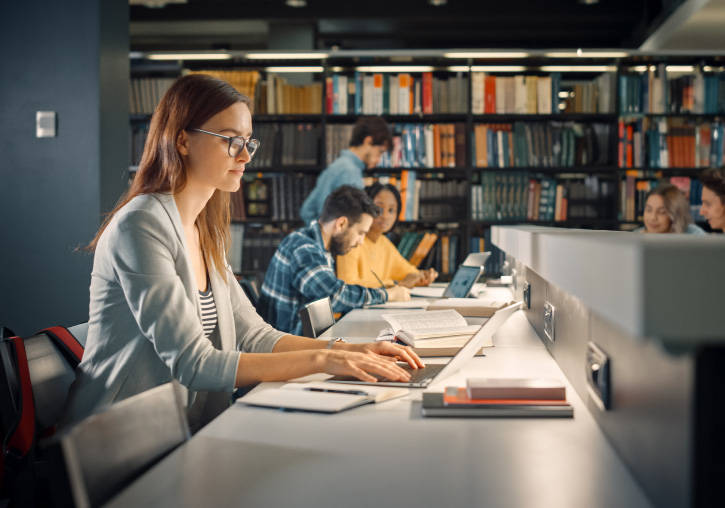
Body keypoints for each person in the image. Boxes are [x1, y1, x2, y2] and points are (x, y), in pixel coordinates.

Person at [63, 75, 422, 431]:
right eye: (231, 141)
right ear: (183, 141)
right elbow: (193, 362)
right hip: (115, 443)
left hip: (181, 429)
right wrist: (324, 359)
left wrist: (349, 350)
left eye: (249, 141)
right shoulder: (141, 225)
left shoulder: (205, 229)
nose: (246, 154)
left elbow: (255, 336)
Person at [259, 185, 411, 335]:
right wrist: (387, 295)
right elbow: (333, 296)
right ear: (341, 224)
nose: (361, 241)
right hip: (288, 351)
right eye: (360, 233)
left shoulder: (320, 247)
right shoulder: (303, 248)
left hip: (306, 343)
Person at [337, 182, 438, 288]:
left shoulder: (384, 243)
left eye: (391, 210)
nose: (385, 216)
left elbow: (409, 273)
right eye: (379, 209)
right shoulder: (351, 241)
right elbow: (347, 285)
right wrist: (395, 284)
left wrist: (423, 276)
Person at [299, 116, 391, 224]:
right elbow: (351, 222)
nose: (379, 160)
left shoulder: (340, 165)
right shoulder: (349, 172)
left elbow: (307, 210)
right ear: (368, 141)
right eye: (380, 152)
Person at [636, 183, 706, 235]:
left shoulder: (694, 234)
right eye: (649, 210)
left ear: (675, 214)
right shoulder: (635, 235)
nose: (653, 218)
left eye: (662, 212)